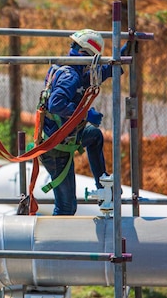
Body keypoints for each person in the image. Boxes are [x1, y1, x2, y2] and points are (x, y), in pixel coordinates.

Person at [38, 29, 126, 215]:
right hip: (56, 149)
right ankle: (56, 243)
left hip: (64, 137)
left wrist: (124, 52)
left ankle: (102, 185)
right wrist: (86, 115)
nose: (92, 65)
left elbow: (100, 73)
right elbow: (56, 104)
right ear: (86, 54)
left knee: (94, 135)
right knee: (67, 207)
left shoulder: (73, 68)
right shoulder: (71, 75)